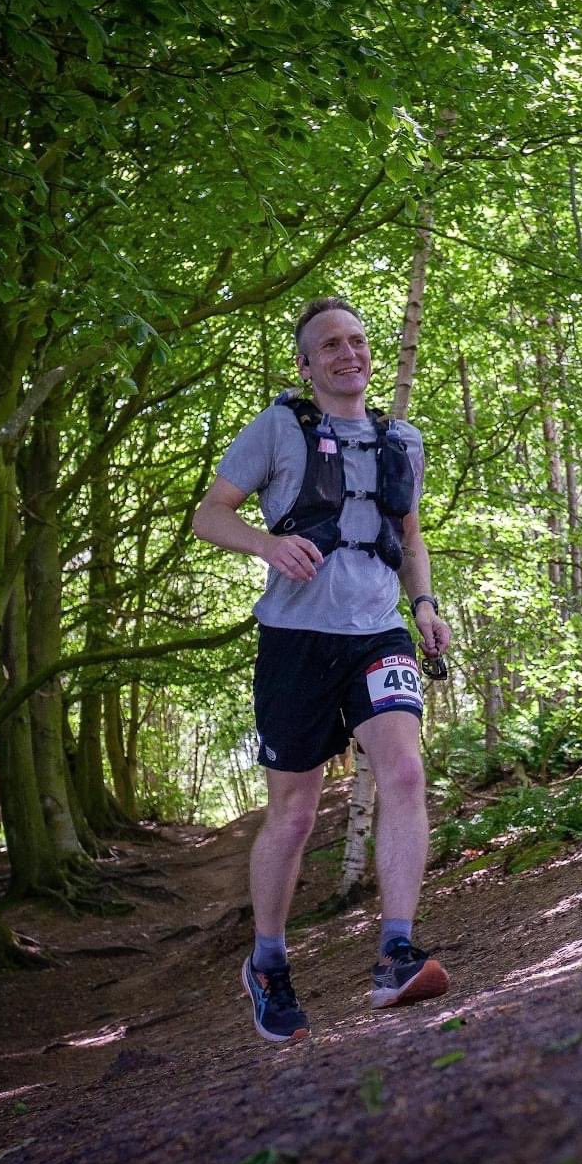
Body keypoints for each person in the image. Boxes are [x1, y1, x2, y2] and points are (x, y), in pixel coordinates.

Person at [193, 296, 452, 1043]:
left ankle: (396, 952)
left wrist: (426, 606)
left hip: (379, 633)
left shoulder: (404, 438)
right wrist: (267, 547)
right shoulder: (280, 428)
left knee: (403, 774)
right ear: (306, 367)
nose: (350, 354)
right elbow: (209, 515)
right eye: (330, 346)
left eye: (358, 341)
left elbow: (409, 534)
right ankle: (268, 962)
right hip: (295, 641)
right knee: (297, 813)